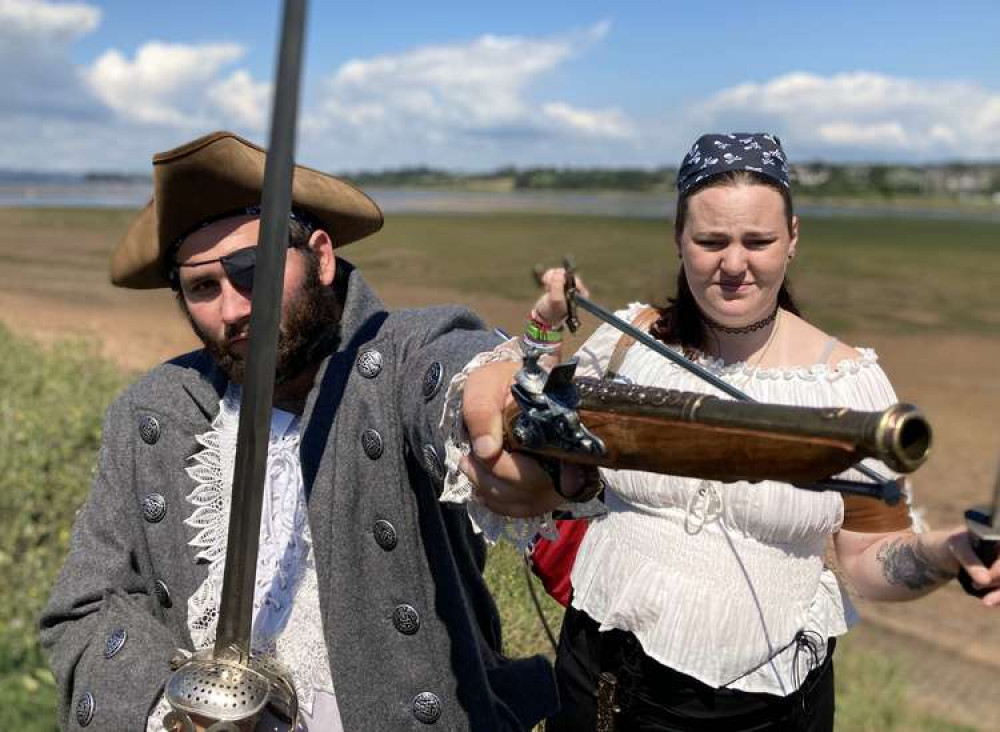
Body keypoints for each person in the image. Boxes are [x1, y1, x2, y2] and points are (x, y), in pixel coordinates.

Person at [453, 133, 1000, 731]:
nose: (734, 265)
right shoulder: (630, 340)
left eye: (758, 241)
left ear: (792, 238)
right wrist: (533, 341)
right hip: (602, 676)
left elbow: (869, 560)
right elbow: (539, 414)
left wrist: (949, 552)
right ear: (678, 238)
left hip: (767, 709)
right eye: (710, 240)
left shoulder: (845, 384)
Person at [39, 131, 557, 732]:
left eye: (252, 270)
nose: (234, 309)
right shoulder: (150, 412)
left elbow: (448, 374)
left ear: (321, 255)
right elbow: (83, 608)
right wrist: (173, 711)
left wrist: (493, 400)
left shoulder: (393, 365)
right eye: (203, 288)